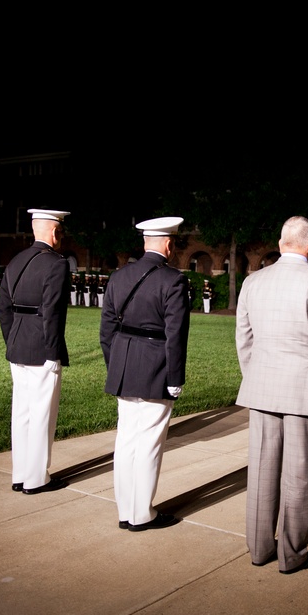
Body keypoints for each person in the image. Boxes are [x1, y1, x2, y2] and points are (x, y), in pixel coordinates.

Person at [236, 216, 308, 574]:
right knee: (299, 473)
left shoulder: (253, 282)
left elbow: (244, 338)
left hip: (263, 385)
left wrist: (254, 376)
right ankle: (292, 553)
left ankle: (258, 549)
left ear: (282, 243)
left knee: (262, 470)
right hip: (305, 390)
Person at [100, 217, 191, 532]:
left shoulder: (119, 276)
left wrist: (117, 365)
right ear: (169, 244)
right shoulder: (173, 280)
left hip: (124, 364)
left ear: (145, 242)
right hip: (156, 366)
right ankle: (142, 514)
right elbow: (175, 335)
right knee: (149, 442)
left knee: (126, 440)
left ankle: (127, 510)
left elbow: (107, 330)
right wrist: (175, 377)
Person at [0, 208, 71, 495]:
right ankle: (37, 478)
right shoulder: (57, 263)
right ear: (55, 232)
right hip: (42, 346)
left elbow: (4, 308)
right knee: (42, 414)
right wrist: (53, 352)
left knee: (22, 413)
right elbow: (53, 312)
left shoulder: (15, 260)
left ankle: (20, 473)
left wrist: (12, 340)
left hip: (17, 343)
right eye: (61, 232)